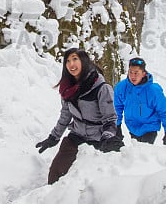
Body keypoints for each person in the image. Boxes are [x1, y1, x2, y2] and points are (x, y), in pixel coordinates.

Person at [35, 48, 124, 184]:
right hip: (77, 134)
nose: (71, 64)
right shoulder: (67, 89)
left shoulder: (101, 88)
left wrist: (108, 138)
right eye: (68, 61)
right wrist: (54, 137)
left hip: (100, 138)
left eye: (75, 59)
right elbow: (65, 115)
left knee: (94, 181)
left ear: (84, 61)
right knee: (56, 171)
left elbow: (110, 118)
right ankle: (52, 199)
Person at [114, 57, 166, 145]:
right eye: (130, 72)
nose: (133, 76)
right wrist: (117, 126)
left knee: (143, 152)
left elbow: (164, 111)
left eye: (136, 73)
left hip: (150, 126)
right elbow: (117, 108)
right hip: (132, 126)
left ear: (143, 73)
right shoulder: (121, 88)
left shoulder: (153, 91)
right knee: (137, 151)